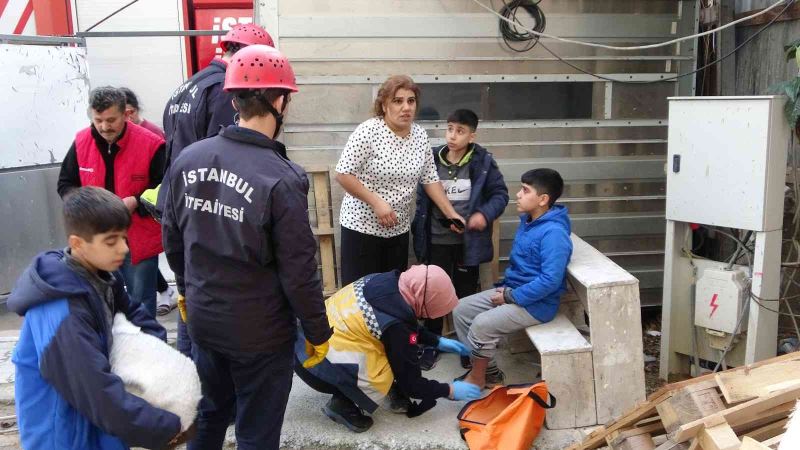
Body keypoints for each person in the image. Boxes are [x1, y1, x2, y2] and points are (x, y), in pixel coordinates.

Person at [162, 44, 331, 450]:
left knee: (208, 415)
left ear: (234, 98)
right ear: (280, 100)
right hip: (261, 334)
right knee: (256, 430)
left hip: (204, 320)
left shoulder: (189, 159)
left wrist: (185, 289)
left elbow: (172, 235)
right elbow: (299, 269)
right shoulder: (283, 177)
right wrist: (317, 329)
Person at [9, 187, 192, 450]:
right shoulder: (60, 313)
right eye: (111, 241)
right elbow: (98, 394)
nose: (124, 248)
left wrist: (158, 358)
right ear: (77, 244)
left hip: (97, 422)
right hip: (64, 434)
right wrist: (166, 427)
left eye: (124, 237)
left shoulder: (100, 273)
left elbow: (135, 318)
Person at [152, 23, 273, 356]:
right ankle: (204, 377)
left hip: (181, 204)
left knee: (192, 292)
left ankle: (193, 374)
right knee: (208, 298)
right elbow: (226, 156)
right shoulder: (223, 89)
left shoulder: (186, 86)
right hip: (206, 207)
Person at [294, 265, 482, 433]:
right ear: (425, 301)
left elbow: (402, 322)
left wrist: (436, 340)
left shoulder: (387, 281)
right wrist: (448, 389)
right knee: (383, 370)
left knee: (390, 348)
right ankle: (343, 403)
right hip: (318, 368)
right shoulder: (397, 328)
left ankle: (372, 390)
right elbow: (412, 384)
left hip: (301, 345)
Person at [335, 75, 465, 286]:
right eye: (398, 101)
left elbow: (430, 179)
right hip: (362, 228)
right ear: (384, 105)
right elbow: (343, 174)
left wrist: (452, 214)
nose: (406, 107)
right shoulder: (368, 131)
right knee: (360, 295)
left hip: (398, 229)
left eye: (411, 101)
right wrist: (377, 202)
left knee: (391, 294)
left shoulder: (420, 136)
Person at [453, 169, 572, 388]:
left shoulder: (553, 233)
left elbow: (550, 281)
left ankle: (478, 378)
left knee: (482, 324)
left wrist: (510, 296)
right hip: (514, 291)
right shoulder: (529, 222)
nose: (517, 194)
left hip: (537, 305)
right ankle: (489, 372)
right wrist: (508, 293)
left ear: (543, 200)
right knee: (461, 310)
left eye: (525, 190)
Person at [412, 109, 509, 371]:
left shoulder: (482, 162)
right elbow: (422, 198)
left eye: (461, 131)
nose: (453, 136)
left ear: (472, 135)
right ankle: (431, 344)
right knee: (431, 294)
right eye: (450, 129)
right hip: (435, 240)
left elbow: (500, 195)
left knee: (465, 294)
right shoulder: (432, 158)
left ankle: (469, 346)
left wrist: (481, 216)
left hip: (469, 245)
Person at [57, 86, 165, 317]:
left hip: (138, 236)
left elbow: (165, 187)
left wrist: (136, 201)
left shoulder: (151, 143)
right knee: (100, 299)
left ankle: (144, 347)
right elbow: (65, 184)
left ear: (126, 114)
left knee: (141, 302)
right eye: (98, 120)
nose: (105, 127)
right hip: (95, 239)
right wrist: (85, 207)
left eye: (111, 120)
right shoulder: (81, 142)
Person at [119, 86, 177, 316]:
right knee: (137, 272)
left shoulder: (152, 137)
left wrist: (136, 200)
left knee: (141, 276)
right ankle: (164, 290)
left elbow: (162, 179)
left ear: (130, 112)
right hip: (122, 224)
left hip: (145, 218)